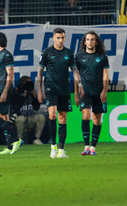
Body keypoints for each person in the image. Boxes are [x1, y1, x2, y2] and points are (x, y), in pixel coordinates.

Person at [37, 27, 83, 158]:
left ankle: (61, 150)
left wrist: (79, 85)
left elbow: (74, 70)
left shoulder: (68, 53)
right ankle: (53, 147)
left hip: (64, 89)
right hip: (50, 88)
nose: (60, 40)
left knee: (63, 118)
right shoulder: (47, 52)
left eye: (62, 37)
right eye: (58, 38)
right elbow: (40, 72)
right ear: (53, 38)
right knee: (52, 115)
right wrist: (39, 90)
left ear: (65, 37)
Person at [75, 31, 109, 155]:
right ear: (84, 42)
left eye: (92, 39)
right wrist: (77, 90)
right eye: (88, 39)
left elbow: (105, 74)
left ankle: (93, 148)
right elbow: (76, 74)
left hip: (99, 92)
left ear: (96, 41)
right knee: (86, 116)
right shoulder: (79, 57)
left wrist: (104, 91)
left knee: (97, 119)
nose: (90, 42)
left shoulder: (102, 57)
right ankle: (86, 146)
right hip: (85, 92)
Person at [0, 32, 21, 155]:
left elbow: (10, 75)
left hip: (2, 90)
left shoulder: (6, 55)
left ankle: (16, 139)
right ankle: (10, 146)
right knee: (5, 117)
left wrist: (5, 92)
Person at [13, 75, 45, 145]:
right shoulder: (16, 92)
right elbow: (15, 109)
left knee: (41, 117)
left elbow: (36, 108)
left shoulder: (31, 92)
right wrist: (22, 97)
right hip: (19, 118)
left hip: (31, 118)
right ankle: (19, 140)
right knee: (21, 119)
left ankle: (36, 139)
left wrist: (35, 97)